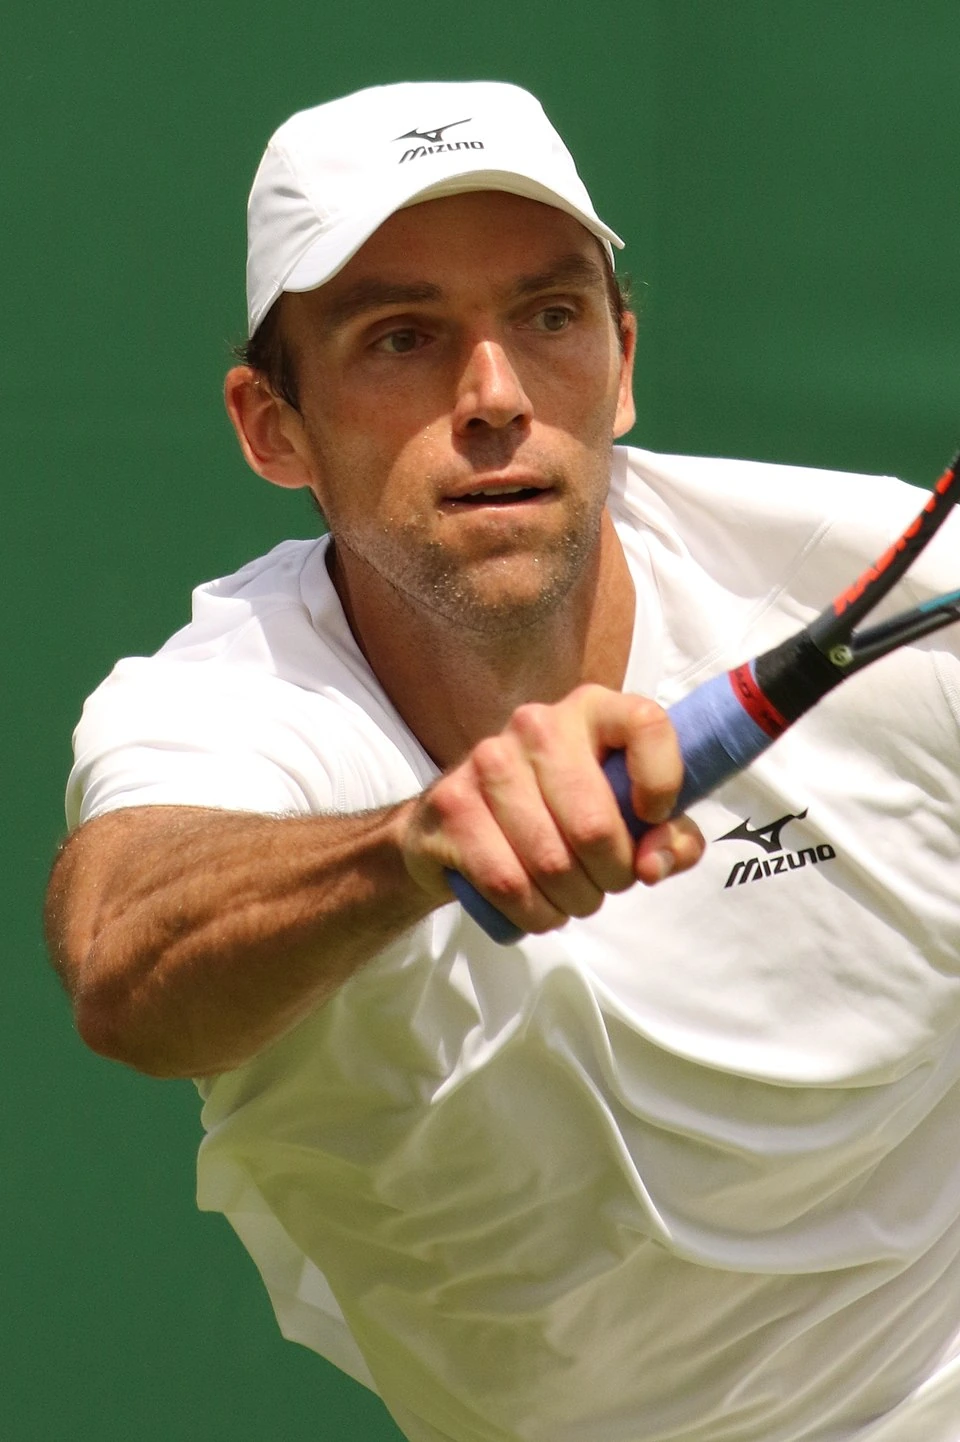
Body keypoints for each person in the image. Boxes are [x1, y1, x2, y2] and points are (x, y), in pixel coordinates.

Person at [45, 79, 960, 1442]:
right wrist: (414, 843)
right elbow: (127, 961)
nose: (495, 396)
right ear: (269, 426)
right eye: (402, 337)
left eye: (548, 318)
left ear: (624, 358)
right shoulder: (227, 705)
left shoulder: (886, 592)